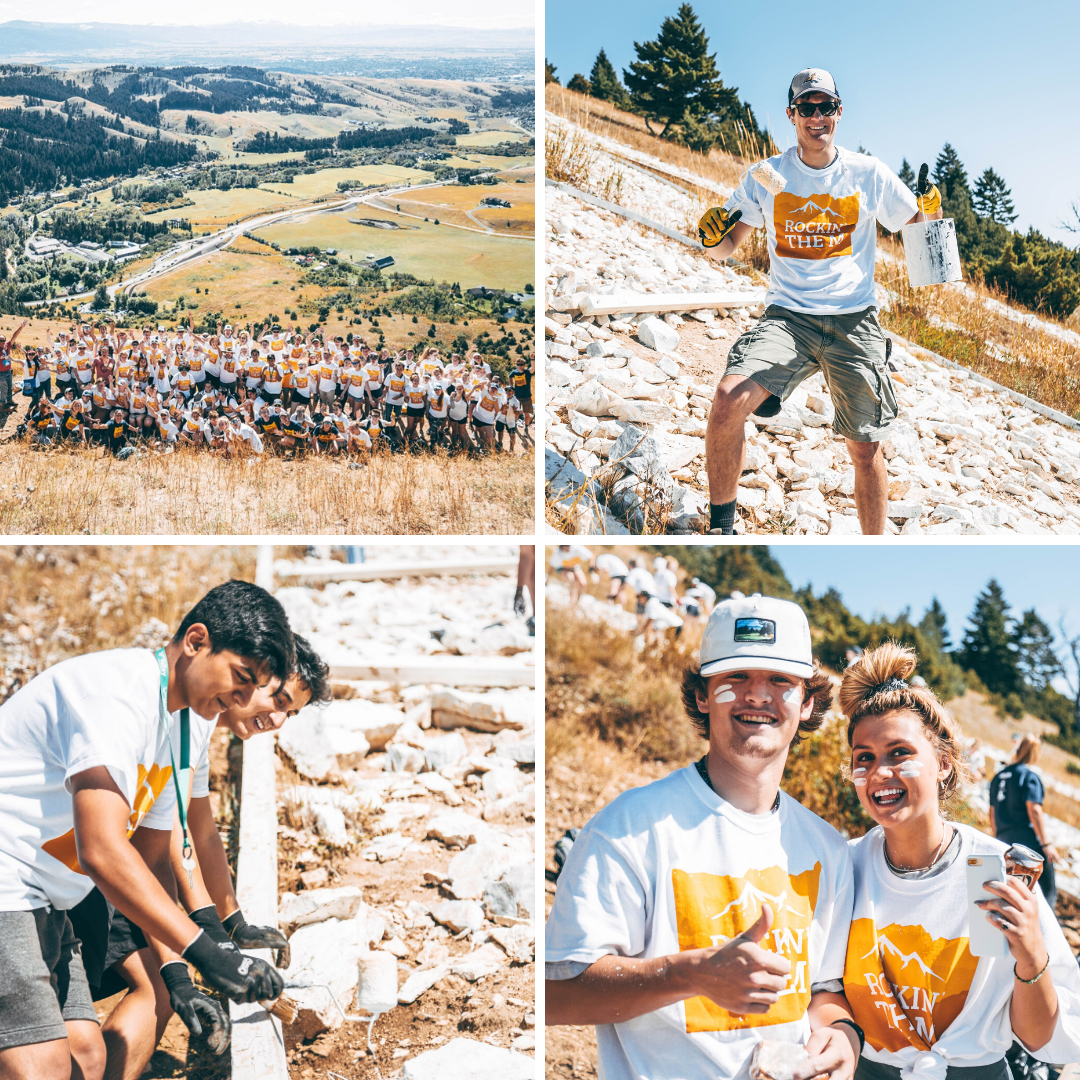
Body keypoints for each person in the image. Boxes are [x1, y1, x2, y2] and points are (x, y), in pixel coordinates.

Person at [546, 593, 860, 1080]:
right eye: (735, 677)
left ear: (808, 702)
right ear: (702, 695)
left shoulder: (829, 850)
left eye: (781, 680)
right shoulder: (630, 827)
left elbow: (824, 990)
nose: (758, 695)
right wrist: (689, 975)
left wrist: (842, 1036)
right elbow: (554, 993)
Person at [0, 581, 293, 1080]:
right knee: (41, 1066)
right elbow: (102, 850)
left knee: (89, 1059)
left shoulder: (182, 722)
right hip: (9, 884)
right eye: (238, 678)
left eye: (250, 692)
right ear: (196, 641)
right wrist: (206, 951)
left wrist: (177, 973)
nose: (239, 701)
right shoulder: (116, 696)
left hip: (47, 902)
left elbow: (154, 860)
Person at [697, 68, 943, 536]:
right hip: (789, 318)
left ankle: (874, 546)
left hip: (855, 321)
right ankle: (720, 529)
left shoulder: (868, 174)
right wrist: (711, 241)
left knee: (865, 449)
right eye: (806, 108)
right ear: (791, 115)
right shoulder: (768, 177)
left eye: (825, 107)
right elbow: (727, 245)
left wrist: (931, 210)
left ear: (839, 112)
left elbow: (922, 239)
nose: (816, 117)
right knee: (728, 399)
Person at [74, 637, 331, 1080]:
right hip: (93, 866)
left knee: (155, 983)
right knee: (153, 987)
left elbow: (200, 831)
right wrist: (201, 944)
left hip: (112, 861)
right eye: (278, 699)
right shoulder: (185, 715)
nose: (278, 720)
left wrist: (230, 921)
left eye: (292, 714)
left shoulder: (202, 722)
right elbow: (164, 847)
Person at [839, 644, 1080, 1080]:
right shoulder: (847, 867)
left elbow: (1040, 1038)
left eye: (900, 753)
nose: (879, 773)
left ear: (945, 764)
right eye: (864, 758)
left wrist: (1030, 955)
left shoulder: (990, 870)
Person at [989, 735, 1059, 912]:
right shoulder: (1029, 776)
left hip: (1005, 840)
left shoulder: (998, 777)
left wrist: (998, 839)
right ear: (1035, 754)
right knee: (1048, 890)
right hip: (1028, 842)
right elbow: (1034, 810)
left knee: (1011, 892)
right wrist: (1046, 844)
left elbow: (992, 812)